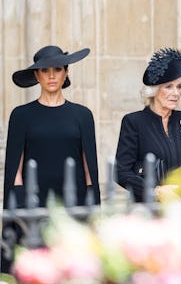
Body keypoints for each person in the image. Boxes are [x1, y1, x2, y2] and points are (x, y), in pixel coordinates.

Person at [1, 45, 101, 273]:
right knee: (35, 270)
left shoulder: (82, 115)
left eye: (57, 69)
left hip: (72, 203)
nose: (52, 75)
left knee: (72, 269)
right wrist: (22, 209)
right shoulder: (21, 115)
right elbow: (14, 166)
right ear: (37, 75)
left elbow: (89, 167)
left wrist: (91, 208)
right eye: (45, 71)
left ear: (66, 73)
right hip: (33, 205)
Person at [114, 48, 181, 202]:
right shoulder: (134, 122)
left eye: (179, 87)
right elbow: (121, 172)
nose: (176, 93)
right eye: (169, 86)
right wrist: (154, 191)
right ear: (154, 91)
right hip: (149, 210)